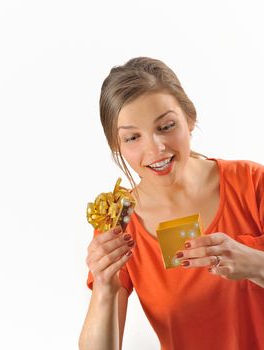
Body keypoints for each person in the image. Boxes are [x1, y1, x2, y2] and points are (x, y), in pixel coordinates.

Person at [78, 57, 264, 350]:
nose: (155, 149)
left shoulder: (252, 183)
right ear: (117, 146)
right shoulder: (119, 224)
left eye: (165, 126)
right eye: (132, 137)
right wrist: (104, 288)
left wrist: (254, 263)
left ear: (189, 119)